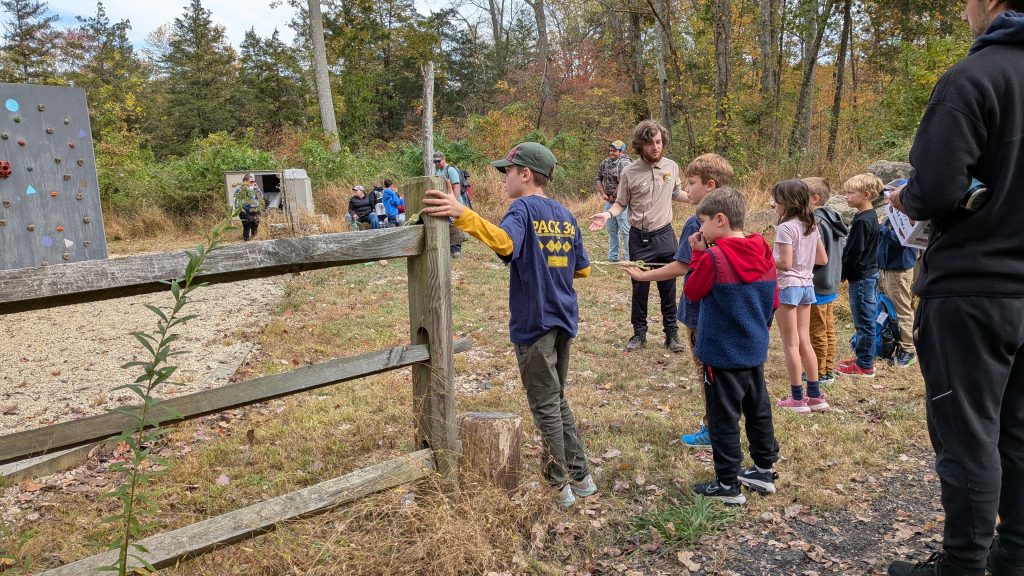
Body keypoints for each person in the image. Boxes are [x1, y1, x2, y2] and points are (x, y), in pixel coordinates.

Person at [885, 4, 1024, 576]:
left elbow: (939, 185)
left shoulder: (975, 77)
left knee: (968, 436)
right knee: (1016, 431)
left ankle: (962, 566)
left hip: (972, 288)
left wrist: (904, 198)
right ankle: (1013, 556)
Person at [422, 142, 597, 508]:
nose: (504, 180)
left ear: (526, 175)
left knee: (545, 404)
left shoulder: (521, 208)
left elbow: (504, 243)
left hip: (535, 321)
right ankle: (582, 478)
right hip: (564, 318)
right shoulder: (565, 214)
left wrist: (461, 213)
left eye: (508, 172)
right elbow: (582, 268)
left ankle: (557, 486)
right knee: (556, 398)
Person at [623, 153, 734, 451]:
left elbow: (681, 265)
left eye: (692, 182)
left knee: (707, 373)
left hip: (700, 312)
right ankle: (724, 423)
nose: (687, 187)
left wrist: (644, 276)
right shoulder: (733, 221)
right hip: (728, 310)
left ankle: (713, 430)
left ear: (709, 186)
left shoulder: (695, 222)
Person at [682, 187, 780, 505]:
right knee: (758, 410)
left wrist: (697, 254)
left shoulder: (714, 257)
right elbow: (773, 300)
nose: (700, 230)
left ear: (720, 220)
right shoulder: (762, 251)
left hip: (722, 353)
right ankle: (763, 469)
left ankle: (727, 483)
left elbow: (693, 292)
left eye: (704, 222)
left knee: (723, 417)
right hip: (753, 347)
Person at [589, 120, 689, 353]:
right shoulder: (629, 171)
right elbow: (621, 203)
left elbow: (677, 192)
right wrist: (608, 216)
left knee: (668, 286)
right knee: (639, 286)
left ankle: (671, 334)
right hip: (639, 237)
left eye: (659, 142)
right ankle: (639, 333)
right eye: (650, 143)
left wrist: (698, 197)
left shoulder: (671, 167)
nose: (655, 147)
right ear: (640, 145)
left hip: (664, 234)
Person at [772, 180, 829, 413]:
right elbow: (822, 259)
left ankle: (797, 398)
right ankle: (814, 395)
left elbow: (784, 263)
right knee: (804, 340)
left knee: (790, 344)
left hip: (788, 286)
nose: (773, 204)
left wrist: (765, 258)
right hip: (807, 286)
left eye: (776, 200)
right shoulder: (811, 225)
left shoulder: (786, 228)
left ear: (786, 202)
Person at [836, 174, 881, 378]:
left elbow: (854, 252)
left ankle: (865, 365)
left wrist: (841, 273)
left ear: (866, 194)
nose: (847, 197)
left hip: (862, 277)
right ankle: (863, 357)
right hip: (867, 274)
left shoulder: (864, 221)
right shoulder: (867, 216)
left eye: (850, 193)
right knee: (864, 320)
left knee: (864, 320)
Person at [804, 177, 848, 386]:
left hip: (819, 283)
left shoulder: (817, 223)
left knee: (818, 330)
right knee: (827, 327)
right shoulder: (833, 217)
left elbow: (817, 256)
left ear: (815, 198)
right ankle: (827, 367)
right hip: (831, 281)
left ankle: (820, 371)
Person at [876, 187, 918, 367]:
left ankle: (909, 349)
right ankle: (891, 344)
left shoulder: (910, 217)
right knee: (886, 308)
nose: (890, 200)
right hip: (885, 268)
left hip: (899, 270)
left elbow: (904, 240)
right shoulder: (891, 215)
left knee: (901, 309)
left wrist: (881, 230)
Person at [594, 140, 632, 262]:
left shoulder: (625, 162)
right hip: (609, 202)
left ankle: (629, 257)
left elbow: (624, 182)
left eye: (614, 151)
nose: (611, 152)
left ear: (621, 151)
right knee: (611, 230)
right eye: (610, 150)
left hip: (623, 202)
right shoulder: (605, 162)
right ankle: (613, 257)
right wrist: (603, 194)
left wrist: (614, 195)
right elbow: (598, 178)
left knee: (626, 231)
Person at [433, 152, 469, 257]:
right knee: (447, 225)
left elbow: (456, 186)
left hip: (454, 203)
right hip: (445, 203)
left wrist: (453, 201)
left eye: (438, 161)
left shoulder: (450, 170)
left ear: (444, 159)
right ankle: (449, 247)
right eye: (435, 162)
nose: (437, 163)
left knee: (456, 225)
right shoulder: (438, 171)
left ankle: (456, 250)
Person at [233, 174, 265, 241]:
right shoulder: (240, 190)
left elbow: (260, 197)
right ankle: (246, 241)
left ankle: (254, 240)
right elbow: (235, 200)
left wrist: (257, 189)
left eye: (254, 181)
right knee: (247, 226)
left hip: (255, 209)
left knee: (255, 226)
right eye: (251, 181)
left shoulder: (255, 189)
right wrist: (240, 209)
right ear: (245, 182)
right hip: (245, 210)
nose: (253, 183)